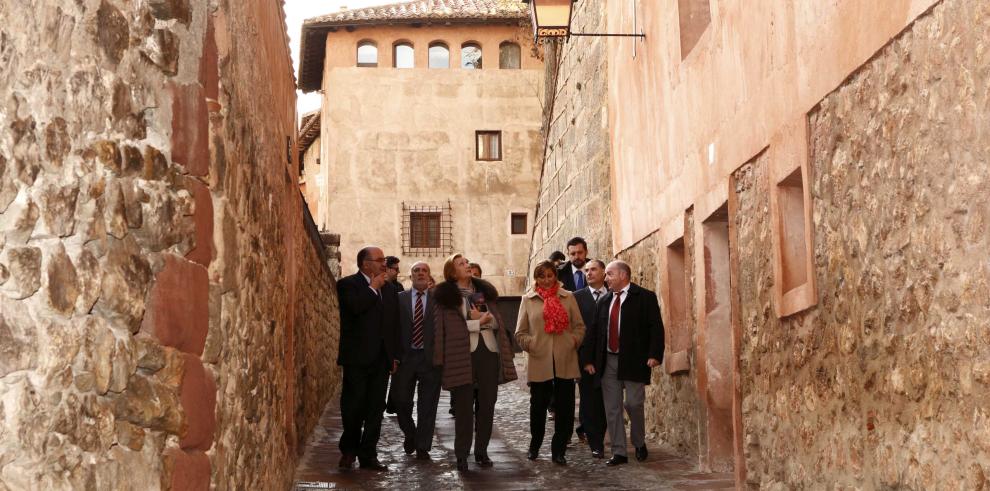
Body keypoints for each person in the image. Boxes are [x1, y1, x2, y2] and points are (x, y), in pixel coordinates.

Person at [433, 253, 518, 471]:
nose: (467, 265)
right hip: (462, 355)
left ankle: (482, 452)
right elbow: (447, 332)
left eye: (467, 262)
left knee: (487, 405)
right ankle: (461, 455)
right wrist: (475, 323)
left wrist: (486, 322)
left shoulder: (483, 294)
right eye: (461, 264)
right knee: (463, 408)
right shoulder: (445, 298)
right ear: (452, 272)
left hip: (488, 352)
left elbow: (498, 325)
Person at [581, 260, 663, 466]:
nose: (605, 278)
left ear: (623, 276)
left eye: (609, 274)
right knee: (612, 407)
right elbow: (594, 332)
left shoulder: (645, 297)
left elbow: (656, 328)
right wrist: (589, 359)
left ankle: (638, 442)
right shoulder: (604, 301)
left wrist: (654, 354)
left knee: (634, 403)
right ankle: (619, 452)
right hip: (608, 360)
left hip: (634, 360)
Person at [336, 246, 400, 471]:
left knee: (375, 409)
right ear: (365, 264)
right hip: (356, 359)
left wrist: (394, 356)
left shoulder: (390, 290)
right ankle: (349, 450)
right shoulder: (347, 285)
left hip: (381, 360)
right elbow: (354, 308)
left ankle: (368, 455)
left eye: (384, 259)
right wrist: (372, 288)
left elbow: (392, 325)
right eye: (379, 259)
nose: (384, 263)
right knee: (353, 407)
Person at [515, 260, 585, 465]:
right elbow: (520, 333)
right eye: (541, 276)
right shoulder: (528, 300)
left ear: (555, 276)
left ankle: (559, 450)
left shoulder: (568, 297)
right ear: (536, 278)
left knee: (565, 409)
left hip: (565, 360)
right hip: (539, 361)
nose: (546, 280)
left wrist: (572, 341)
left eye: (550, 275)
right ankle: (535, 445)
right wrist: (533, 344)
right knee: (538, 408)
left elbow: (580, 327)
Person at [392, 262, 442, 460]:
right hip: (406, 358)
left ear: (429, 276)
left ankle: (423, 446)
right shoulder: (399, 299)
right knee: (400, 401)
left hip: (430, 359)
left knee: (427, 404)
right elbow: (392, 327)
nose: (420, 273)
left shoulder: (438, 301)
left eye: (424, 271)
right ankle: (410, 433)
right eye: (416, 271)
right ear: (410, 276)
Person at [572, 259, 608, 458]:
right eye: (586, 270)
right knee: (589, 400)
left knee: (605, 402)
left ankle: (599, 436)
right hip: (584, 359)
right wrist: (583, 360)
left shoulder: (612, 296)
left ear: (604, 272)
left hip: (608, 359)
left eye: (593, 269)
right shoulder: (577, 298)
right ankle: (596, 444)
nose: (589, 273)